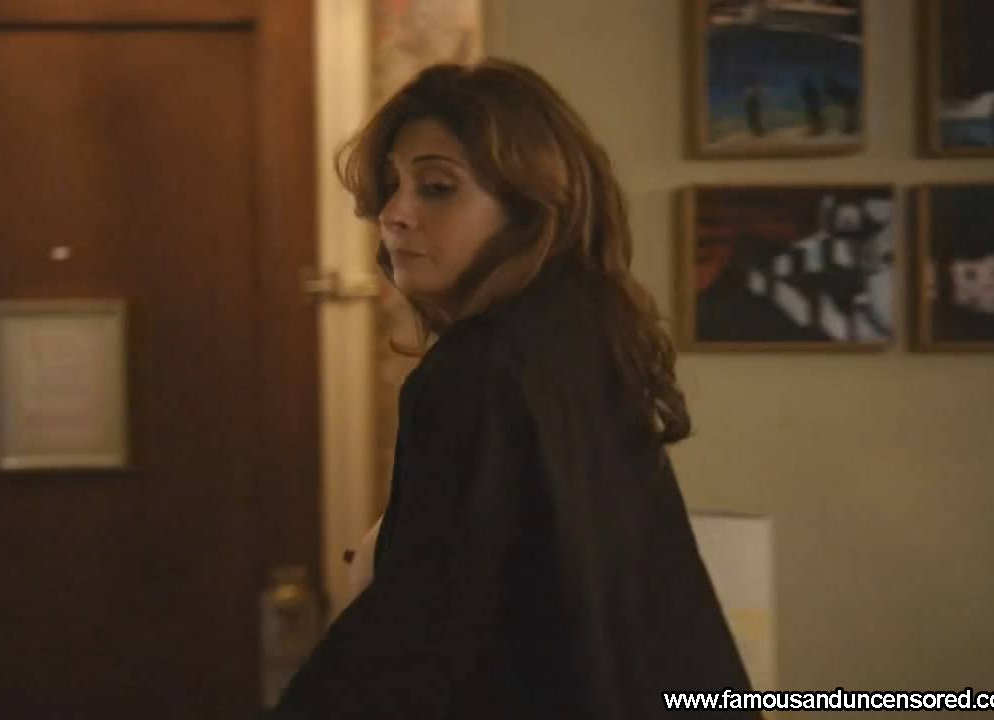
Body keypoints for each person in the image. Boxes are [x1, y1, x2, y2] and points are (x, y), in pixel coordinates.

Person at [271, 58, 759, 719]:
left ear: (527, 211)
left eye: (436, 188)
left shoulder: (482, 367)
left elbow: (417, 637)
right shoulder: (585, 339)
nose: (393, 214)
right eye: (391, 186)